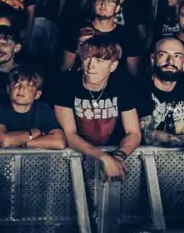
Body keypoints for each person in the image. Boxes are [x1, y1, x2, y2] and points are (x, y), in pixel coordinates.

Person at [52, 34, 143, 181]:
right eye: (87, 58)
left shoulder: (123, 84)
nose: (91, 66)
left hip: (116, 158)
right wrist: (102, 157)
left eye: (99, 60)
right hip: (73, 159)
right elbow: (69, 134)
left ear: (113, 65)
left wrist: (118, 157)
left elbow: (133, 132)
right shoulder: (66, 84)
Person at [0, 66, 67, 150]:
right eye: (16, 84)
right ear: (8, 89)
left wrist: (22, 143)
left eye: (29, 85)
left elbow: (60, 142)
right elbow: (5, 141)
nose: (21, 89)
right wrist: (33, 133)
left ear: (37, 94)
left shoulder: (44, 110)